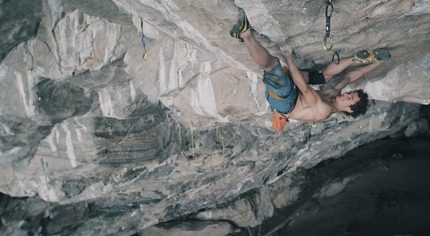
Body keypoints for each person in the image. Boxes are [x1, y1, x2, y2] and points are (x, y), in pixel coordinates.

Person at [230, 8, 391, 129]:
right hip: (297, 91)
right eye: (351, 93)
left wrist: (288, 58)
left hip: (285, 101)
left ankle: (245, 34)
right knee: (324, 77)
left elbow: (304, 89)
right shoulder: (334, 96)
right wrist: (376, 63)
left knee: (273, 64)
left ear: (349, 110)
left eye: (350, 98)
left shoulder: (324, 110)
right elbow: (348, 78)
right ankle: (356, 58)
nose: (347, 94)